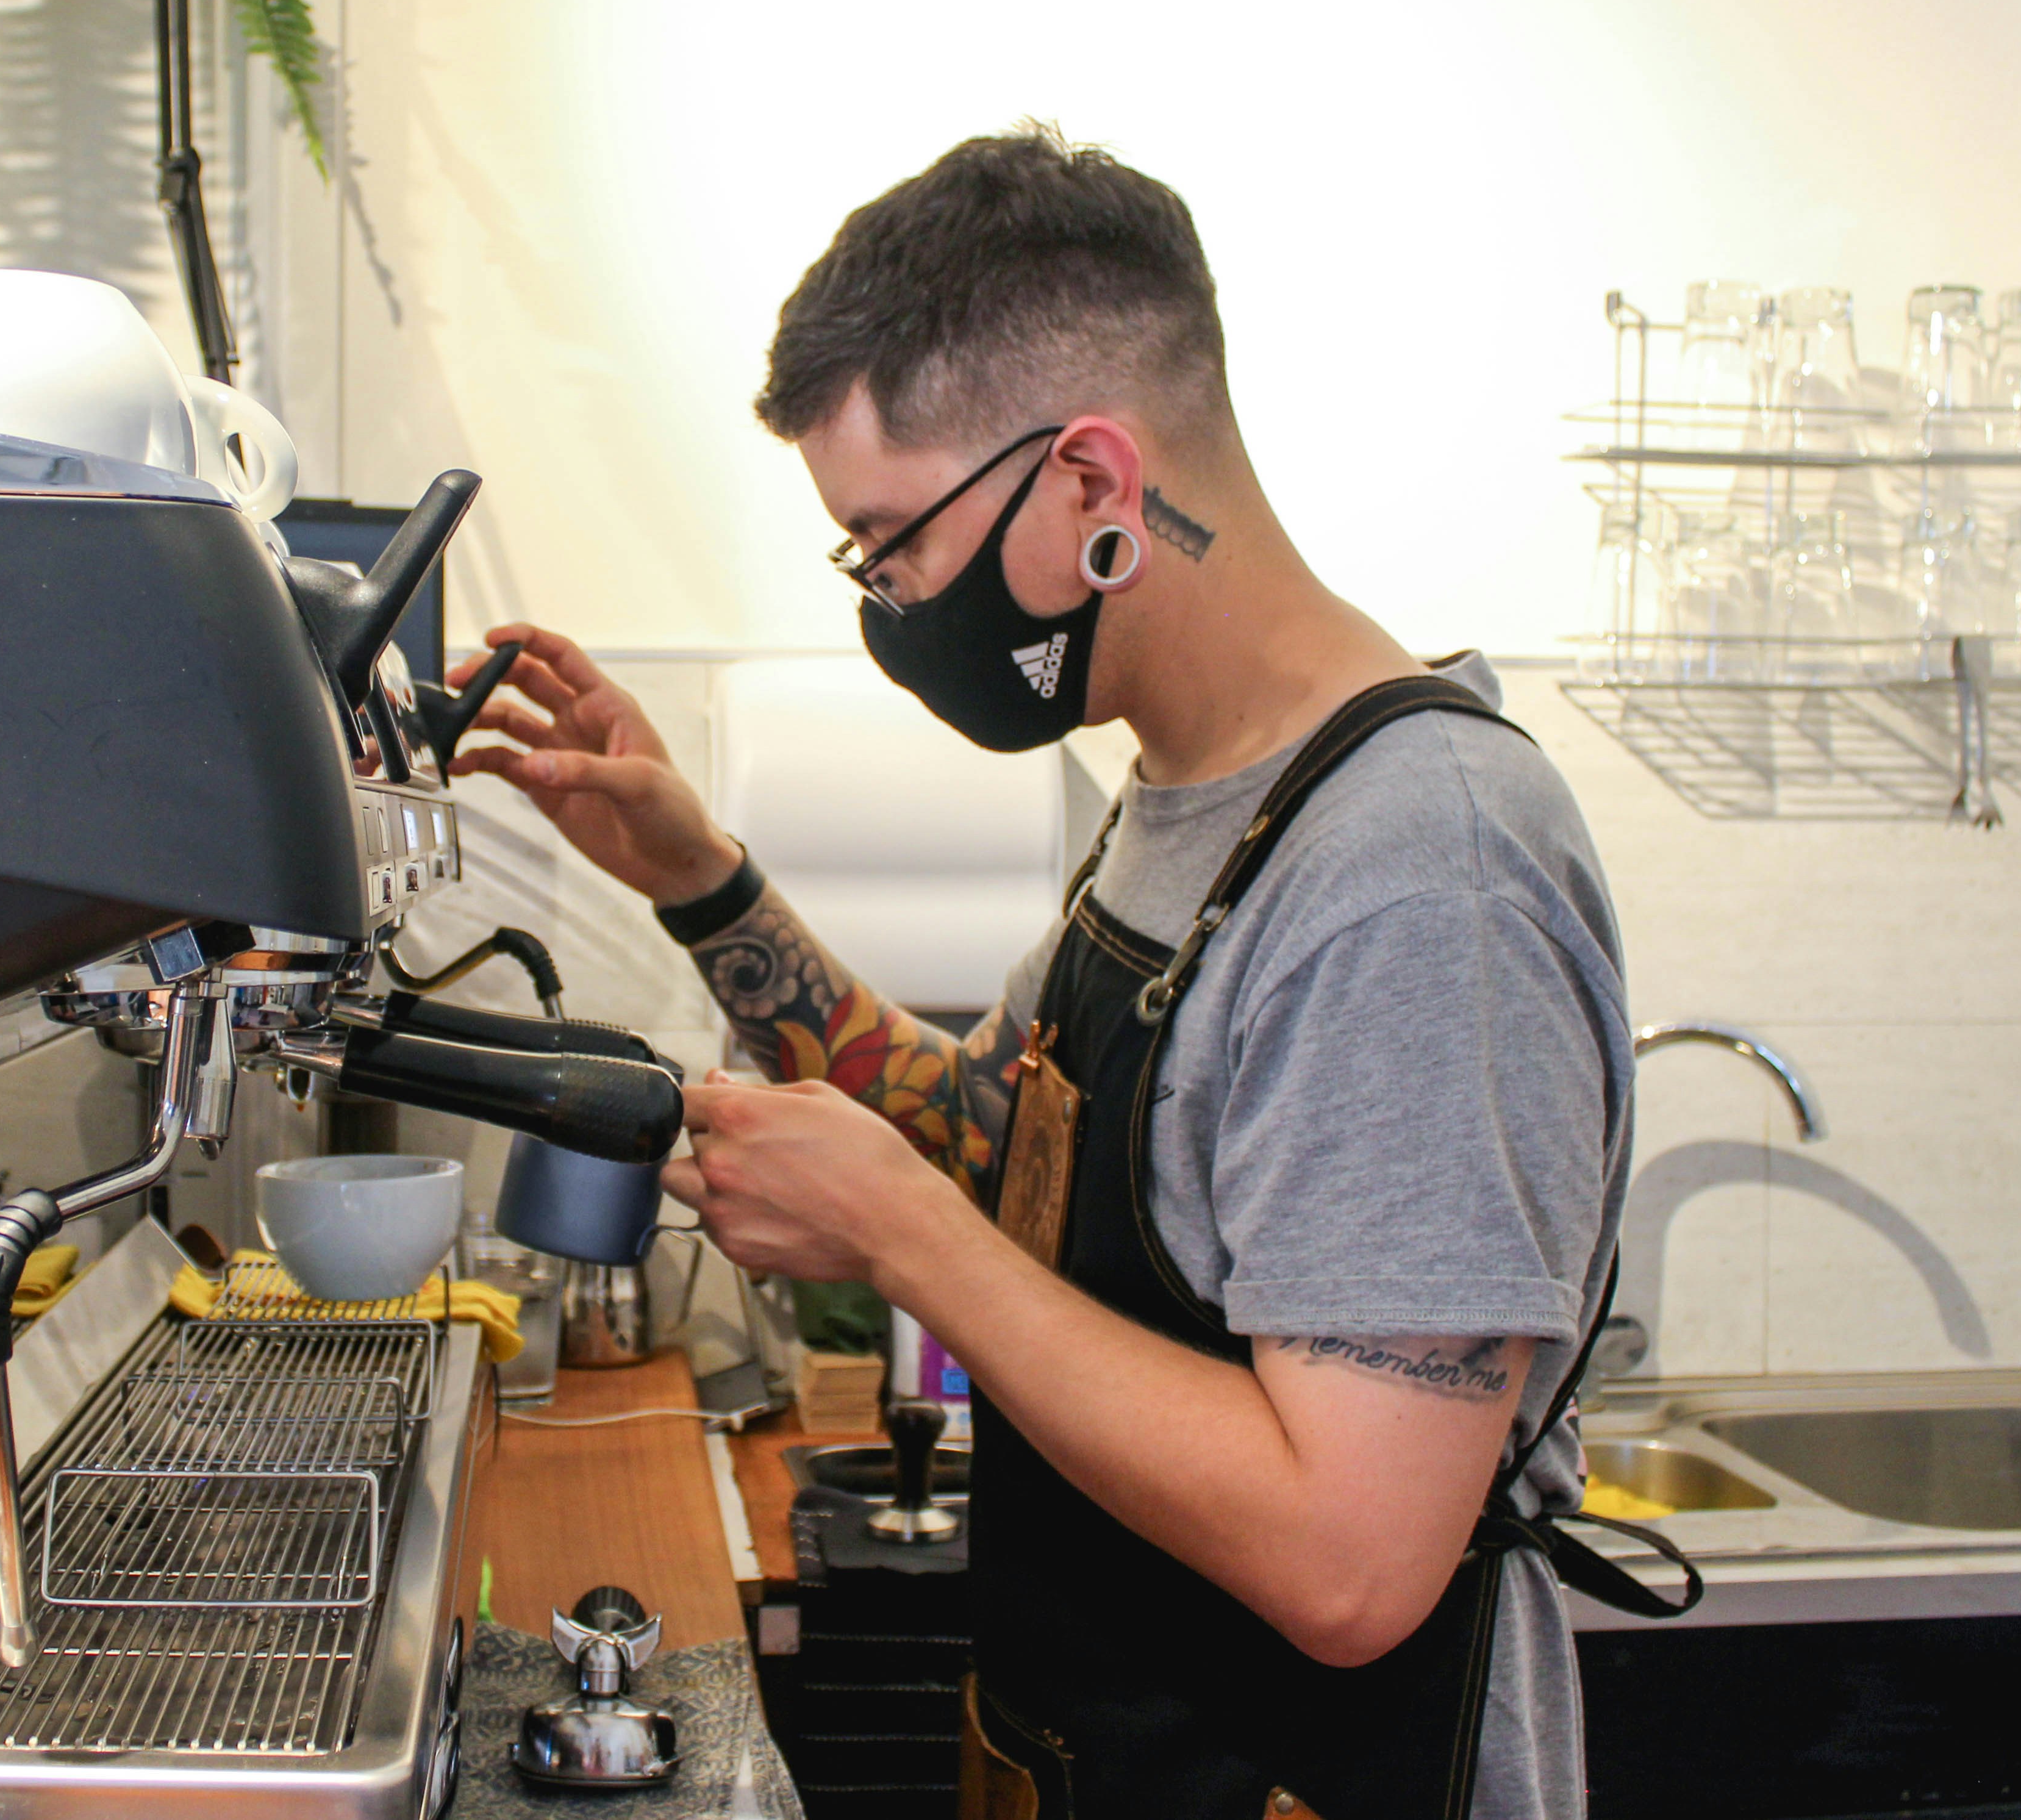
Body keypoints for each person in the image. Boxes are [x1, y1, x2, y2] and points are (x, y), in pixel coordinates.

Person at [448, 126, 1637, 1819]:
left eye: (893, 544)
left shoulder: (1410, 870)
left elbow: (1350, 1559)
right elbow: (985, 1135)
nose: (888, 602)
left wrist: (905, 1245)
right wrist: (695, 877)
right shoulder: (1181, 798)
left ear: (1091, 482)